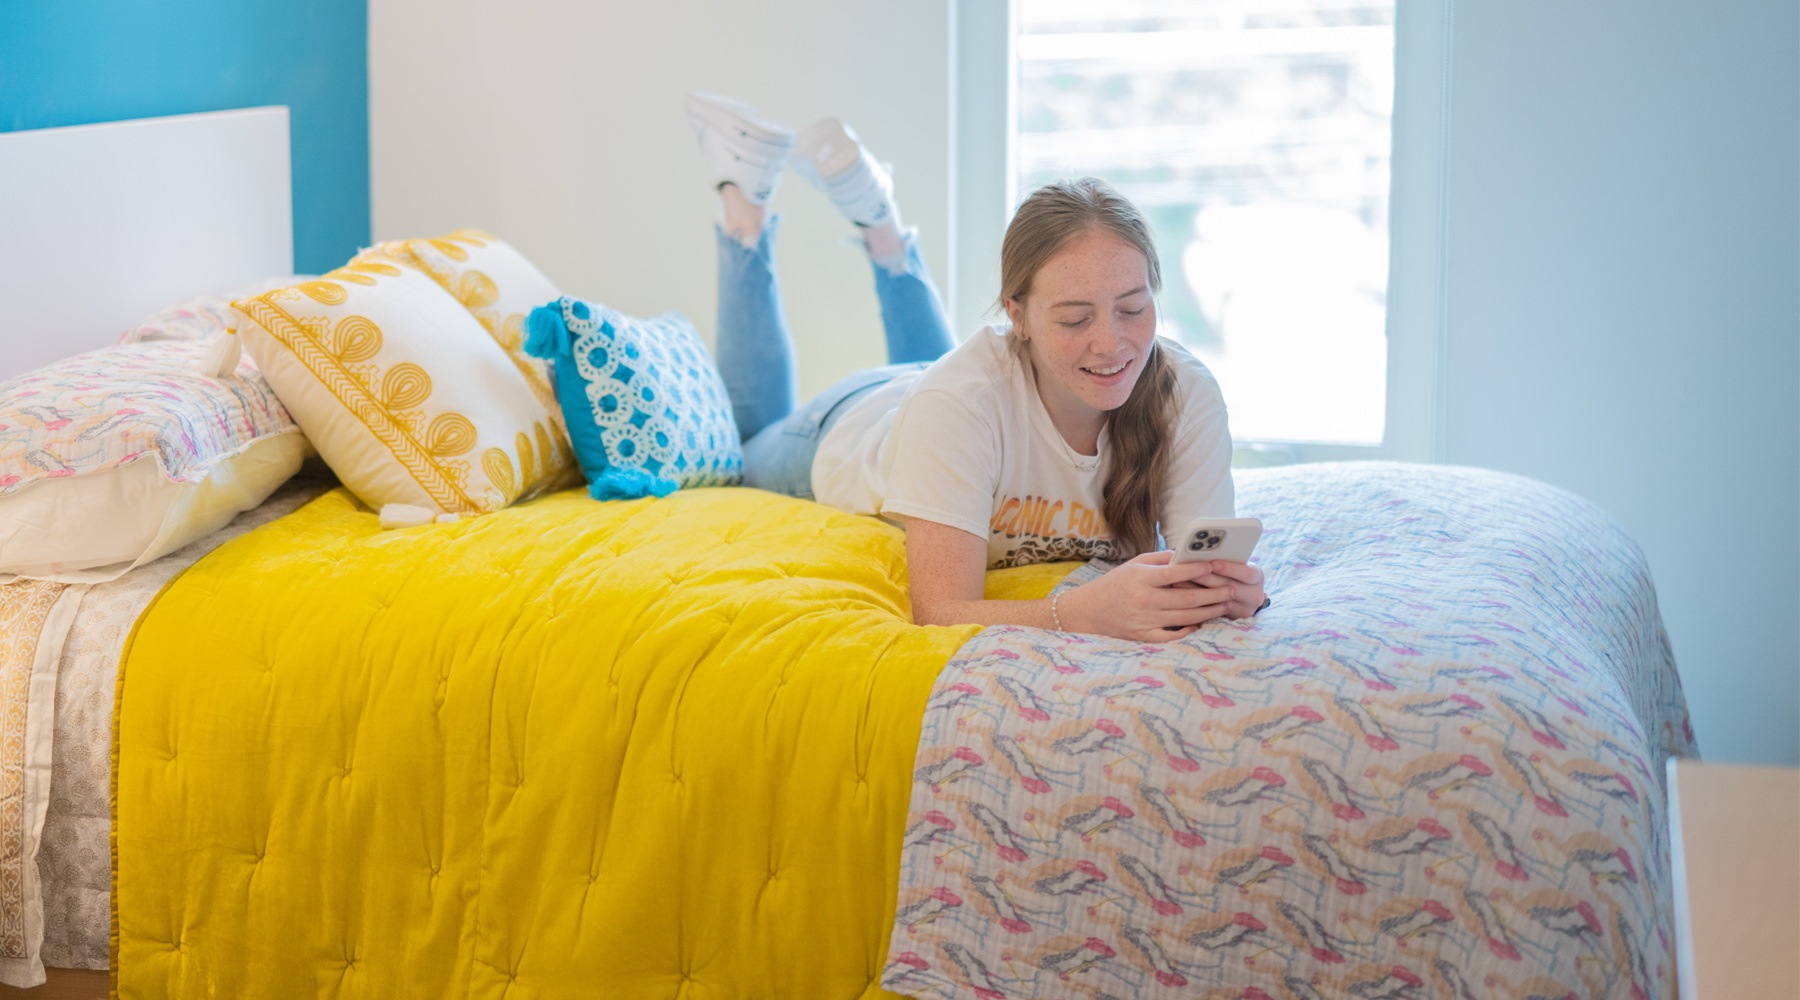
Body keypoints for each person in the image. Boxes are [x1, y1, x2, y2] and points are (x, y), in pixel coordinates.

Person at [687, 92, 1267, 643]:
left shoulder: (1184, 393)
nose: (1111, 344)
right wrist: (1085, 612)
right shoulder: (958, 401)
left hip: (939, 392)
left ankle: (880, 220)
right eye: (1073, 319)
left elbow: (1201, 561)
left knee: (949, 380)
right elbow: (940, 613)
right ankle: (745, 210)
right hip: (845, 428)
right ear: (1018, 315)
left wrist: (1223, 593)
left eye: (1133, 309)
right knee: (739, 443)